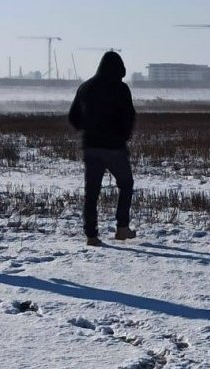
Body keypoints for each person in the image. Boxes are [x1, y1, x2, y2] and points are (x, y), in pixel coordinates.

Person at [68, 51, 136, 247]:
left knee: (92, 192)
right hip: (115, 148)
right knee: (126, 184)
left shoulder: (86, 87)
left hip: (91, 147)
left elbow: (73, 117)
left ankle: (91, 235)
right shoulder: (122, 89)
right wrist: (124, 136)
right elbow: (129, 117)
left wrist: (87, 128)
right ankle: (122, 227)